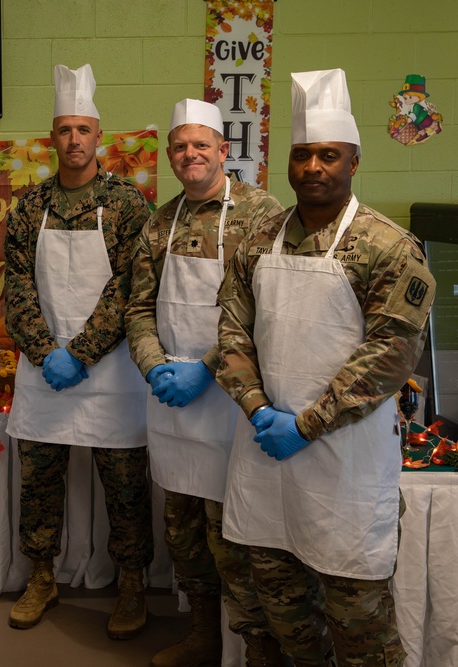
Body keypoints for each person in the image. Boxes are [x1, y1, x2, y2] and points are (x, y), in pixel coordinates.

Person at [216, 68, 435, 666]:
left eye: (329, 155)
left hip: (346, 462)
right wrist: (258, 409)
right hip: (267, 451)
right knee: (285, 614)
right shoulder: (259, 238)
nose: (313, 166)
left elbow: (390, 354)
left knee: (361, 627)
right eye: (302, 154)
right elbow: (231, 330)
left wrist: (305, 425)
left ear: (353, 162)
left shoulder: (388, 246)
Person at [125, 98, 289, 666]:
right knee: (183, 529)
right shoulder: (159, 222)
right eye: (180, 146)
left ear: (223, 150)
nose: (190, 154)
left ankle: (256, 648)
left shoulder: (262, 213)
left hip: (234, 401)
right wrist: (155, 367)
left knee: (236, 533)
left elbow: (265, 309)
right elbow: (138, 307)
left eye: (201, 145)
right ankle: (203, 634)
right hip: (172, 397)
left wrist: (207, 369)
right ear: (170, 155)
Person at [3, 63, 153, 637]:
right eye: (64, 130)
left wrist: (82, 353)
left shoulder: (127, 204)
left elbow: (131, 286)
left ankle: (132, 585)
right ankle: (41, 577)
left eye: (83, 130)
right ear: (53, 138)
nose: (74, 140)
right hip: (44, 369)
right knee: (39, 481)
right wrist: (48, 354)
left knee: (124, 484)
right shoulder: (28, 206)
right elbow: (18, 288)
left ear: (98, 136)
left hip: (111, 371)